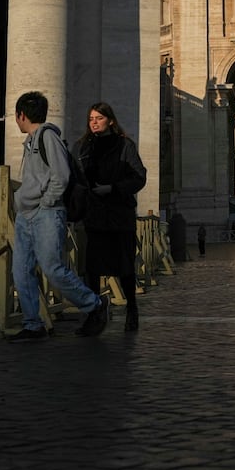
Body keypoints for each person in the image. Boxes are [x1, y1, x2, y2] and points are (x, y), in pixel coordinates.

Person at [8, 91, 109, 341]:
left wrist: (46, 202)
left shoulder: (47, 136)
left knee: (53, 269)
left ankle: (95, 304)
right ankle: (33, 324)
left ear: (21, 115)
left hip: (46, 214)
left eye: (16, 115)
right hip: (26, 215)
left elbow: (61, 175)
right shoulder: (30, 141)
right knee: (21, 271)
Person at [76, 102, 148, 332]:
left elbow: (139, 177)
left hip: (119, 213)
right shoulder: (82, 147)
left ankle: (132, 310)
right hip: (94, 213)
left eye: (99, 118)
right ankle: (94, 313)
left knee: (125, 266)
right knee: (92, 268)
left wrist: (113, 188)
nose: (94, 122)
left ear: (111, 120)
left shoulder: (125, 145)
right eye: (91, 119)